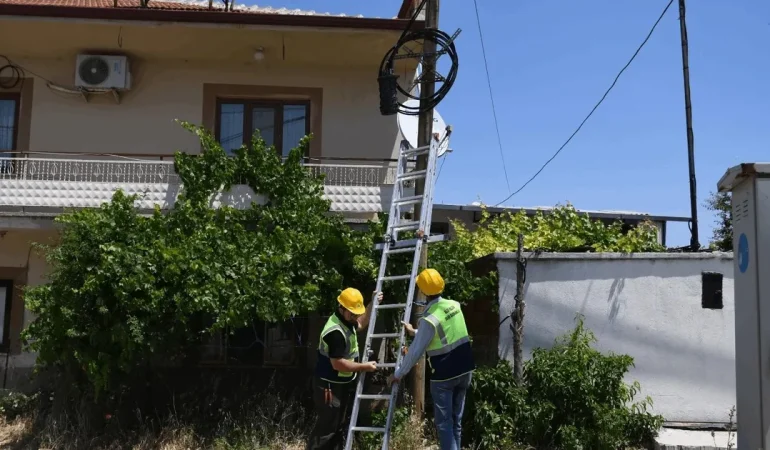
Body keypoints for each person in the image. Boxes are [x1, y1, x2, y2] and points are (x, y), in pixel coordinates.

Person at [387, 268, 475, 450]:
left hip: (444, 376)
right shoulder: (454, 305)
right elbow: (444, 333)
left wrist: (399, 373)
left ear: (423, 291)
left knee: (445, 425)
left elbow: (416, 350)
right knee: (456, 422)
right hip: (465, 370)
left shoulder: (429, 318)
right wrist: (415, 332)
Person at [306, 288, 383, 450]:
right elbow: (338, 364)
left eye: (356, 313)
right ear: (341, 307)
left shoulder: (346, 321)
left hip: (340, 382)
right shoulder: (335, 332)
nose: (355, 317)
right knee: (327, 428)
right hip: (328, 386)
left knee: (337, 426)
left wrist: (371, 304)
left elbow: (361, 323)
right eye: (352, 313)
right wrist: (364, 367)